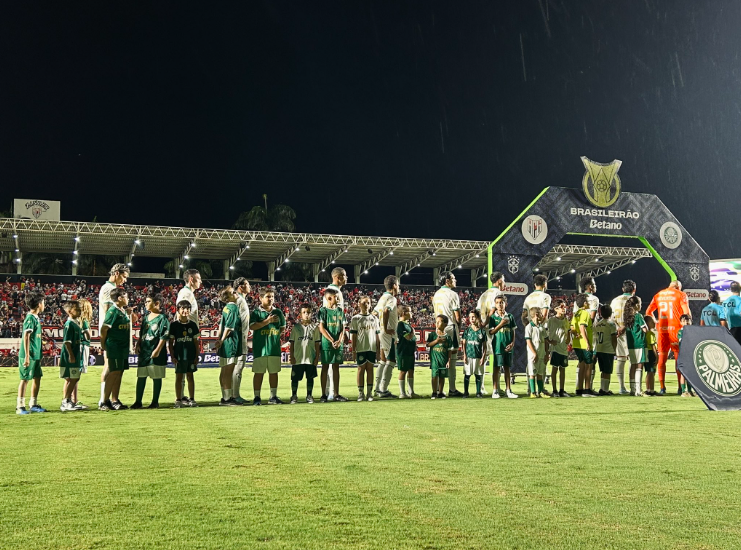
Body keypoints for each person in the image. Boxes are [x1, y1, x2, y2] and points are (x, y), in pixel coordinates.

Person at [646, 280, 690, 395]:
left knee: (662, 358)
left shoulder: (658, 295)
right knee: (678, 359)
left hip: (662, 330)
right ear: (678, 287)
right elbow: (686, 314)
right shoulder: (681, 295)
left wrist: (656, 323)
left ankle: (662, 387)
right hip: (676, 330)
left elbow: (648, 312)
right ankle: (680, 388)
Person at [98, 263, 130, 407]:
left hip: (119, 335)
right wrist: (104, 340)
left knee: (119, 369)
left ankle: (114, 399)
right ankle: (103, 399)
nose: (125, 280)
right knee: (110, 366)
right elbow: (107, 311)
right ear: (116, 273)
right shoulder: (108, 289)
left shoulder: (114, 289)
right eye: (124, 276)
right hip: (112, 335)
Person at [250, 286, 286, 406]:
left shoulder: (278, 312)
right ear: (260, 298)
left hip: (274, 348)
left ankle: (273, 396)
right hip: (260, 349)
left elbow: (282, 328)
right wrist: (267, 321)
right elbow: (252, 326)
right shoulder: (256, 312)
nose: (270, 299)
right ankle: (256, 397)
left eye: (272, 297)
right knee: (259, 373)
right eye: (267, 296)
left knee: (274, 372)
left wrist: (273, 336)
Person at [132, 292, 170, 409]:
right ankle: (138, 401)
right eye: (145, 302)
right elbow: (142, 333)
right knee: (141, 376)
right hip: (144, 351)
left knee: (156, 377)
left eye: (148, 301)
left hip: (155, 352)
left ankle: (155, 401)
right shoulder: (146, 318)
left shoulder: (163, 318)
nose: (146, 304)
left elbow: (164, 336)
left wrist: (158, 350)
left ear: (156, 303)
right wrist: (138, 344)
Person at [476, 271, 506, 395]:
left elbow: (477, 310)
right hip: (493, 328)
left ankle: (481, 387)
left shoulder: (484, 293)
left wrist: (480, 323)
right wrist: (487, 321)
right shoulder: (498, 293)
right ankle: (497, 388)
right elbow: (493, 309)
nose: (504, 283)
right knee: (498, 356)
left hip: (482, 328)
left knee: (484, 357)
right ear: (499, 280)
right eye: (503, 280)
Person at [432, 272, 462, 397]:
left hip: (438, 329)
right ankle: (452, 389)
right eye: (453, 278)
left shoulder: (436, 294)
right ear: (447, 281)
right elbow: (458, 316)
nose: (455, 280)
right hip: (450, 328)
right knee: (452, 360)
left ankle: (438, 390)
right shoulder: (452, 294)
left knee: (440, 360)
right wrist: (458, 329)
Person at [17, 291, 46, 414]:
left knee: (37, 377)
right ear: (39, 304)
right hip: (28, 355)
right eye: (43, 302)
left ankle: (33, 403)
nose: (44, 304)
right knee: (25, 379)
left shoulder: (35, 317)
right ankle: (20, 406)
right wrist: (27, 356)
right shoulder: (30, 318)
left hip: (36, 354)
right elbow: (26, 337)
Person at [176, 269, 201, 405]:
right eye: (199, 278)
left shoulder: (189, 293)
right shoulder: (185, 293)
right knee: (184, 370)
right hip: (185, 337)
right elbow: (181, 312)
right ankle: (181, 397)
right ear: (191, 279)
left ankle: (183, 396)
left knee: (186, 371)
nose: (201, 281)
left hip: (188, 335)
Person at [168, 300, 200, 407]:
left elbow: (196, 342)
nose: (185, 311)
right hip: (179, 356)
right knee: (179, 377)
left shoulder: (193, 325)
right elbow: (171, 342)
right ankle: (178, 399)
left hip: (190, 355)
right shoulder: (174, 325)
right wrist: (172, 356)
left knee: (190, 377)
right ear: (178, 310)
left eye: (187, 309)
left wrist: (197, 356)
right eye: (183, 308)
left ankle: (192, 399)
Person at [373, 275, 400, 398]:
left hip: (381, 332)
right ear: (394, 286)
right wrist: (385, 327)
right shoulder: (391, 299)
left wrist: (379, 327)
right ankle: (383, 389)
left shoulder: (382, 297)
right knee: (391, 360)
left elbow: (374, 313)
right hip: (388, 332)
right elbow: (386, 311)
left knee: (383, 360)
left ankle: (377, 388)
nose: (399, 287)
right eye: (398, 285)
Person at [289, 303, 321, 404]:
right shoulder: (296, 328)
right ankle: (294, 395)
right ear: (300, 314)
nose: (306, 314)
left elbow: (316, 344)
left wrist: (316, 358)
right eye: (304, 312)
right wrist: (292, 356)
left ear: (312, 314)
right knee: (295, 378)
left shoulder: (315, 328)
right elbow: (292, 343)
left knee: (310, 377)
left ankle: (309, 395)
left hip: (310, 357)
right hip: (298, 358)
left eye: (308, 312)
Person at [318, 287, 346, 402]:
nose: (338, 298)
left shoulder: (340, 311)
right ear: (329, 298)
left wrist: (339, 340)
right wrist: (331, 340)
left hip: (338, 344)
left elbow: (343, 328)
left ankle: (336, 394)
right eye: (336, 297)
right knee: (325, 367)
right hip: (327, 345)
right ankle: (323, 394)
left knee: (336, 368)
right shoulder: (322, 311)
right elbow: (321, 328)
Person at [350, 295, 380, 400]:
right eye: (364, 303)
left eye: (368, 303)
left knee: (370, 369)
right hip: (361, 348)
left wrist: (378, 350)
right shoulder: (355, 319)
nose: (366, 305)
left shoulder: (374, 319)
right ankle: (361, 393)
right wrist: (353, 350)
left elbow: (377, 335)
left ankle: (369, 393)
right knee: (360, 369)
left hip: (371, 348)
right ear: (359, 304)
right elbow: (353, 336)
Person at [323, 267, 347, 400]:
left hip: (335, 333)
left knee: (330, 366)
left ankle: (328, 393)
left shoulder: (334, 291)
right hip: (332, 334)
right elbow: (328, 314)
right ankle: (331, 393)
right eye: (344, 276)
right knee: (331, 366)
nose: (347, 278)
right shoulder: (334, 291)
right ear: (338, 277)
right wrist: (335, 337)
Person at [488, 295, 518, 398]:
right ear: (495, 305)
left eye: (502, 302)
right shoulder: (493, 317)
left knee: (507, 368)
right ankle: (495, 390)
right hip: (497, 346)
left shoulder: (510, 316)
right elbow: (491, 332)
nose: (500, 304)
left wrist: (512, 343)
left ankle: (508, 390)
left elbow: (513, 331)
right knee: (496, 368)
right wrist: (501, 324)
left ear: (506, 304)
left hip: (508, 346)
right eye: (497, 302)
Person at [610, 280, 637, 395]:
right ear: (634, 290)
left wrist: (618, 328)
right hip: (631, 332)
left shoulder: (614, 300)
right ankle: (634, 387)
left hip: (618, 333)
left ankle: (621, 387)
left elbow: (611, 317)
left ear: (623, 289)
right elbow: (635, 316)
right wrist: (625, 327)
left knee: (621, 360)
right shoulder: (634, 300)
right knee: (633, 360)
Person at [573, 277, 599, 391]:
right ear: (590, 286)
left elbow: (574, 321)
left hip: (578, 337)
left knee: (581, 362)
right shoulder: (594, 299)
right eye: (594, 284)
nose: (595, 286)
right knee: (590, 362)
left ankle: (579, 387)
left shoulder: (577, 300)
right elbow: (591, 318)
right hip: (589, 334)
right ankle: (588, 388)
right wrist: (586, 337)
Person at [60, 300, 84, 412]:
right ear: (69, 311)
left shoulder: (76, 323)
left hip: (75, 355)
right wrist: (71, 355)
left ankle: (68, 401)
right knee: (74, 377)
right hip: (70, 356)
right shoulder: (69, 324)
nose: (79, 311)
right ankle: (66, 401)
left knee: (72, 378)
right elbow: (67, 342)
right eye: (77, 309)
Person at [571, 294, 596, 397]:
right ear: (584, 303)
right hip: (583, 344)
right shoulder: (585, 313)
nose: (589, 303)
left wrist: (575, 334)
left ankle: (579, 389)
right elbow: (582, 327)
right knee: (588, 365)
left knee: (581, 365)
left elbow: (572, 327)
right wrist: (587, 342)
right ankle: (587, 390)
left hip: (577, 343)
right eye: (587, 301)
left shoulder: (576, 313)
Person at [233, 277, 252, 404]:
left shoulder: (239, 300)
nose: (249, 286)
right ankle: (235, 395)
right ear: (241, 286)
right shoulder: (239, 300)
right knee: (238, 367)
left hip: (240, 337)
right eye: (247, 284)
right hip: (239, 339)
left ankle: (232, 394)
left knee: (235, 367)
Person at [624, 296, 647, 397]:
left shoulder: (627, 317)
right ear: (637, 305)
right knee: (639, 366)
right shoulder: (638, 316)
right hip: (640, 344)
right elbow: (645, 329)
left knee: (632, 365)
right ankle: (638, 390)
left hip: (631, 345)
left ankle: (632, 389)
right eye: (640, 303)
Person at [547, 299, 571, 397]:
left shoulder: (566, 320)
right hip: (555, 348)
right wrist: (550, 342)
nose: (564, 309)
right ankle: (554, 390)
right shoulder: (551, 320)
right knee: (554, 368)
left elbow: (568, 331)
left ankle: (562, 390)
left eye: (564, 307)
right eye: (561, 307)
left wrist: (568, 340)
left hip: (563, 348)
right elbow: (545, 333)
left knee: (563, 369)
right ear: (556, 309)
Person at [525, 307, 550, 398]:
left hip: (542, 353)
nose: (542, 315)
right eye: (540, 313)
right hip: (533, 355)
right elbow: (528, 341)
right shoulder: (529, 327)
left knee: (540, 373)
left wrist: (547, 353)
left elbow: (546, 340)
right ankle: (532, 392)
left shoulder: (541, 327)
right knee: (532, 373)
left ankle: (540, 391)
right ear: (536, 315)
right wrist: (534, 353)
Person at [593, 304, 617, 396]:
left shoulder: (598, 324)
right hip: (608, 350)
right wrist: (614, 350)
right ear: (610, 313)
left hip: (599, 349)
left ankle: (602, 388)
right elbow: (613, 338)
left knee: (603, 371)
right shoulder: (611, 324)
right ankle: (605, 389)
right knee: (607, 371)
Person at [427, 314, 452, 399]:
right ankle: (434, 392)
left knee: (442, 377)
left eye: (439, 322)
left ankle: (440, 392)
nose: (437, 323)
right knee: (434, 376)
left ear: (445, 324)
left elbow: (449, 350)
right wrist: (436, 341)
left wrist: (449, 361)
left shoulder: (448, 337)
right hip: (435, 360)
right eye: (436, 322)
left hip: (444, 360)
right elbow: (428, 344)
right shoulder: (432, 335)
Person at [396, 304, 419, 399]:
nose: (411, 313)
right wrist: (413, 332)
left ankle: (411, 392)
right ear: (404, 313)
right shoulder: (400, 324)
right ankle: (402, 393)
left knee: (410, 371)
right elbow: (408, 337)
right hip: (403, 351)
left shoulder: (407, 324)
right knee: (403, 371)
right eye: (409, 311)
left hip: (410, 351)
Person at [462, 311, 486, 398]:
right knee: (467, 375)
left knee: (478, 375)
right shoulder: (467, 330)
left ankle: (478, 392)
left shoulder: (482, 332)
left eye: (474, 317)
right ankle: (466, 392)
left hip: (478, 356)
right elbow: (463, 344)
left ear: (478, 318)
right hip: (469, 356)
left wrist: (483, 357)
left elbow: (485, 346)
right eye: (470, 317)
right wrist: (464, 355)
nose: (472, 319)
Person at [75, 298, 93, 409]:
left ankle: (72, 399)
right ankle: (74, 400)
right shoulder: (83, 321)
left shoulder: (75, 320)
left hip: (77, 346)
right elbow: (88, 335)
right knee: (76, 375)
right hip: (82, 347)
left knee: (74, 375)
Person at [677, 314, 694, 397]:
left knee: (690, 373)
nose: (686, 322)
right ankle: (684, 391)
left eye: (687, 320)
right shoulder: (681, 331)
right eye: (684, 321)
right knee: (684, 373)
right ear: (681, 322)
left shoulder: (693, 331)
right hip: (684, 355)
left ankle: (690, 391)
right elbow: (683, 341)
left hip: (690, 354)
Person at [644, 315, 658, 396]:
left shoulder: (645, 334)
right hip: (651, 354)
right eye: (652, 321)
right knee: (651, 372)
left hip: (646, 353)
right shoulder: (650, 334)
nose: (654, 323)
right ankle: (652, 390)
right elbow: (653, 347)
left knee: (648, 372)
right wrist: (656, 356)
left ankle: (648, 389)